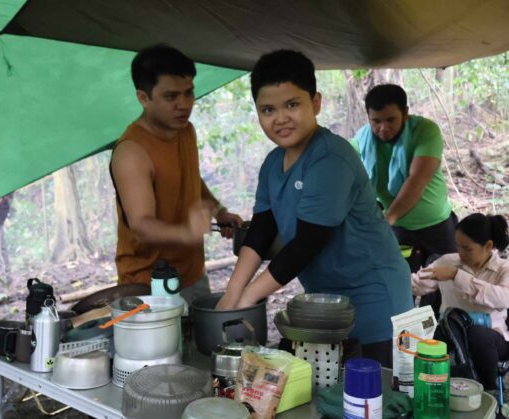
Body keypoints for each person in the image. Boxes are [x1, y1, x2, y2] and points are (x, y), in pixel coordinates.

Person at [216, 50, 413, 367]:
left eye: (292, 104)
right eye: (268, 109)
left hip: (374, 297)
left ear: (316, 103)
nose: (280, 117)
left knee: (374, 397)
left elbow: (306, 245)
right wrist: (232, 294)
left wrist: (249, 298)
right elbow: (261, 232)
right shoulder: (271, 165)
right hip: (327, 300)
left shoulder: (330, 158)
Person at [110, 44, 242, 303]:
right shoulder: (131, 152)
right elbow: (142, 225)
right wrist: (187, 232)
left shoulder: (185, 131)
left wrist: (218, 211)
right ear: (143, 98)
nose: (184, 105)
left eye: (189, 93)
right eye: (171, 97)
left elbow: (190, 177)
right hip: (148, 287)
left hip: (192, 275)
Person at [352, 84, 457, 273]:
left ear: (405, 113)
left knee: (446, 285)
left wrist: (388, 218)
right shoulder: (361, 139)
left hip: (436, 225)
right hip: (398, 229)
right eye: (376, 121)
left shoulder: (425, 131)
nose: (383, 128)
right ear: (367, 115)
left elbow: (417, 181)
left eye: (391, 120)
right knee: (402, 283)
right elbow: (345, 172)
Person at [412, 213, 509, 390]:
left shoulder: (504, 269)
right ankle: (430, 389)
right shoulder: (448, 262)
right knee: (433, 337)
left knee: (477, 335)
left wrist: (457, 276)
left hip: (491, 338)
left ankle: (488, 390)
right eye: (458, 247)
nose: (460, 253)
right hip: (449, 331)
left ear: (488, 246)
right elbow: (419, 285)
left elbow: (503, 298)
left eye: (467, 249)